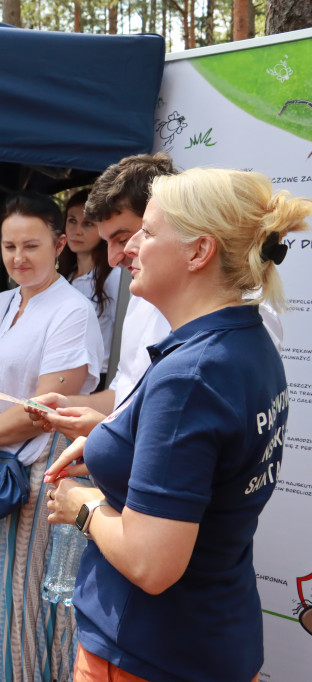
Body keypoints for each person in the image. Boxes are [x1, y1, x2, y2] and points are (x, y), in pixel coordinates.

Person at [45, 168, 308, 682]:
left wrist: (84, 506)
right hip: (211, 637)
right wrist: (111, 440)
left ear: (197, 252)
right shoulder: (244, 341)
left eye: (147, 232)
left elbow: (152, 565)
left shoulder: (192, 373)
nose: (127, 249)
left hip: (149, 653)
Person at [0, 192, 103, 682]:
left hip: (35, 477)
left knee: (23, 598)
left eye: (31, 245)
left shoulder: (72, 311)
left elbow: (44, 407)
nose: (18, 257)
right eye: (9, 246)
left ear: (57, 244)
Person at [29, 153, 178, 440]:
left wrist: (108, 441)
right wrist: (66, 404)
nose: (113, 259)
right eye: (108, 241)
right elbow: (125, 391)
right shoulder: (140, 295)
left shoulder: (228, 317)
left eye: (124, 239)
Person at [58, 188, 121, 385]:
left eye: (87, 223)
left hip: (99, 379)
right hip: (61, 376)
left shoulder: (114, 276)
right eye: (72, 220)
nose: (77, 231)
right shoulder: (64, 276)